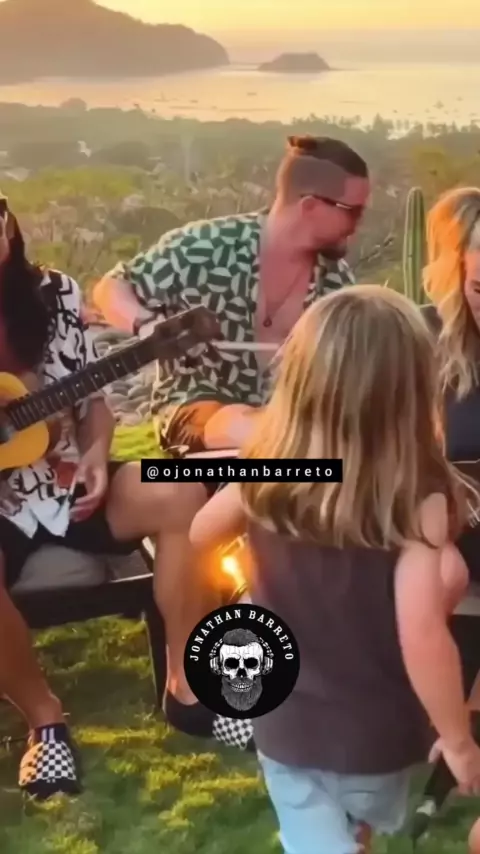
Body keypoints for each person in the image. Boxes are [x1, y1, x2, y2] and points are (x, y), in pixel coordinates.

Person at [190, 285, 480, 854]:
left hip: (284, 726)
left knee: (319, 834)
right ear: (413, 387)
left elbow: (201, 532)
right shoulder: (418, 495)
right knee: (347, 827)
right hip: (377, 736)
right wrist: (457, 738)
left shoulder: (269, 467)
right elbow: (422, 632)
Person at [0, 202, 246, 801]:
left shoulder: (54, 294)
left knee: (178, 489)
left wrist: (94, 454)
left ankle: (190, 685)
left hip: (67, 485)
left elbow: (93, 403)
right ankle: (45, 720)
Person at [93, 135, 369, 454]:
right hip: (199, 413)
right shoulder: (205, 247)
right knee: (241, 425)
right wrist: (147, 326)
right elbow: (112, 286)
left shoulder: (338, 286)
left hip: (292, 429)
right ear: (310, 207)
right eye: (353, 211)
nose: (358, 223)